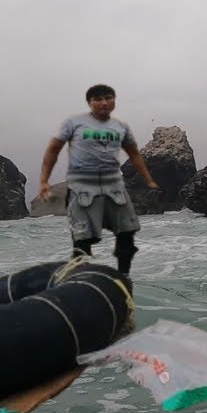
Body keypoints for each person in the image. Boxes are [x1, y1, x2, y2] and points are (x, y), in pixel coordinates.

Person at [38, 84, 159, 275]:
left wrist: (148, 179)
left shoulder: (120, 127)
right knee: (82, 237)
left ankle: (123, 278)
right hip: (82, 185)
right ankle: (80, 276)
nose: (104, 103)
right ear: (89, 102)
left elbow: (133, 154)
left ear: (114, 101)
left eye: (108, 98)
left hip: (114, 187)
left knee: (126, 232)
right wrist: (44, 180)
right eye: (98, 99)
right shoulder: (74, 123)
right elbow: (54, 148)